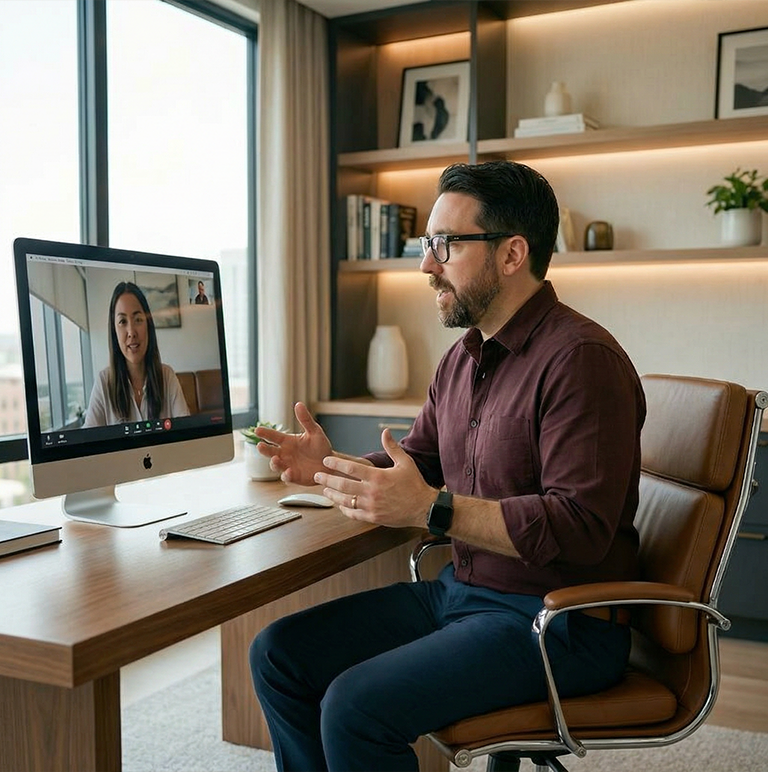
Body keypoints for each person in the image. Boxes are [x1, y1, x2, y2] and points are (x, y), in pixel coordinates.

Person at [249, 160, 646, 772]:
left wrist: (429, 508)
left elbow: (580, 527)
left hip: (558, 624)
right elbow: (420, 462)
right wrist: (330, 466)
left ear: (512, 254)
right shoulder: (463, 359)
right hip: (463, 595)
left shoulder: (581, 361)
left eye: (445, 245)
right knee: (279, 654)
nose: (426, 265)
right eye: (427, 244)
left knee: (354, 708)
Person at [83, 281, 190, 427]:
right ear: (114, 331)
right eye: (122, 321)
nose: (131, 332)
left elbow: (187, 435)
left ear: (148, 325)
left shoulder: (167, 377)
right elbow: (87, 443)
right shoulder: (104, 383)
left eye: (138, 319)